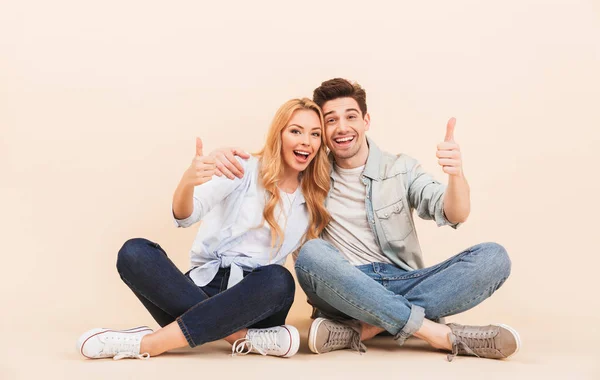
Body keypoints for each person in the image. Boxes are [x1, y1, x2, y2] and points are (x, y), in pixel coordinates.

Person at [213, 79, 521, 362]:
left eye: (350, 117)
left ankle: (361, 329)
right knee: (311, 255)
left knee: (494, 257)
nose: (341, 127)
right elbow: (268, 164)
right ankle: (436, 334)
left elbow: (455, 213)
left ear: (366, 121)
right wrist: (225, 157)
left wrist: (456, 174)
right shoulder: (308, 172)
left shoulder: (400, 169)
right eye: (330, 120)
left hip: (402, 279)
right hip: (341, 289)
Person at [76, 98, 331, 360]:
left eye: (315, 134)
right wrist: (188, 180)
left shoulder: (313, 198)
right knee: (134, 252)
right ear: (278, 134)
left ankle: (148, 343)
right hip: (201, 289)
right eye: (296, 131)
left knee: (280, 279)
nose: (306, 142)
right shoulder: (243, 167)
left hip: (257, 302)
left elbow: (305, 264)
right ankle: (241, 338)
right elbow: (186, 216)